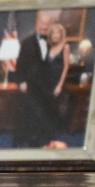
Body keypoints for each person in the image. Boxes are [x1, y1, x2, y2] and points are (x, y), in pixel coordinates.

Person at [14, 10, 59, 147]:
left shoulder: (55, 43)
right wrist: (21, 82)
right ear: (36, 24)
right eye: (42, 23)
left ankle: (44, 141)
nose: (44, 26)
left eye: (47, 24)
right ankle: (26, 140)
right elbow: (20, 65)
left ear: (51, 25)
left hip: (47, 87)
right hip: (31, 86)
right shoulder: (26, 43)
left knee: (47, 114)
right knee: (31, 114)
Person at [44, 22, 71, 138]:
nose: (55, 35)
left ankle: (54, 135)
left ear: (61, 34)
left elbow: (66, 66)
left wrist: (60, 85)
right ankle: (47, 131)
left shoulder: (65, 46)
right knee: (47, 106)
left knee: (56, 107)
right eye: (52, 33)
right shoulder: (50, 47)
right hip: (47, 80)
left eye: (57, 33)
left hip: (57, 81)